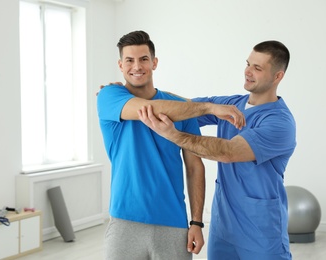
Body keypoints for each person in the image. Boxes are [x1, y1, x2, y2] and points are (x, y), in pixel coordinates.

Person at [137, 40, 296, 260]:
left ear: (278, 76)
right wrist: (129, 91)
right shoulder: (231, 104)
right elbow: (184, 107)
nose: (247, 72)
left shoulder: (279, 122)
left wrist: (174, 135)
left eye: (257, 68)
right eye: (248, 64)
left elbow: (228, 152)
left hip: (261, 231)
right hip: (224, 226)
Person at [97, 30, 246, 260]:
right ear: (120, 65)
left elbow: (195, 167)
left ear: (154, 62)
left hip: (173, 223)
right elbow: (148, 110)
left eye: (144, 59)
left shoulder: (181, 108)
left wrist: (196, 222)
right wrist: (209, 107)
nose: (137, 66)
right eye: (129, 60)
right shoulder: (108, 96)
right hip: (124, 223)